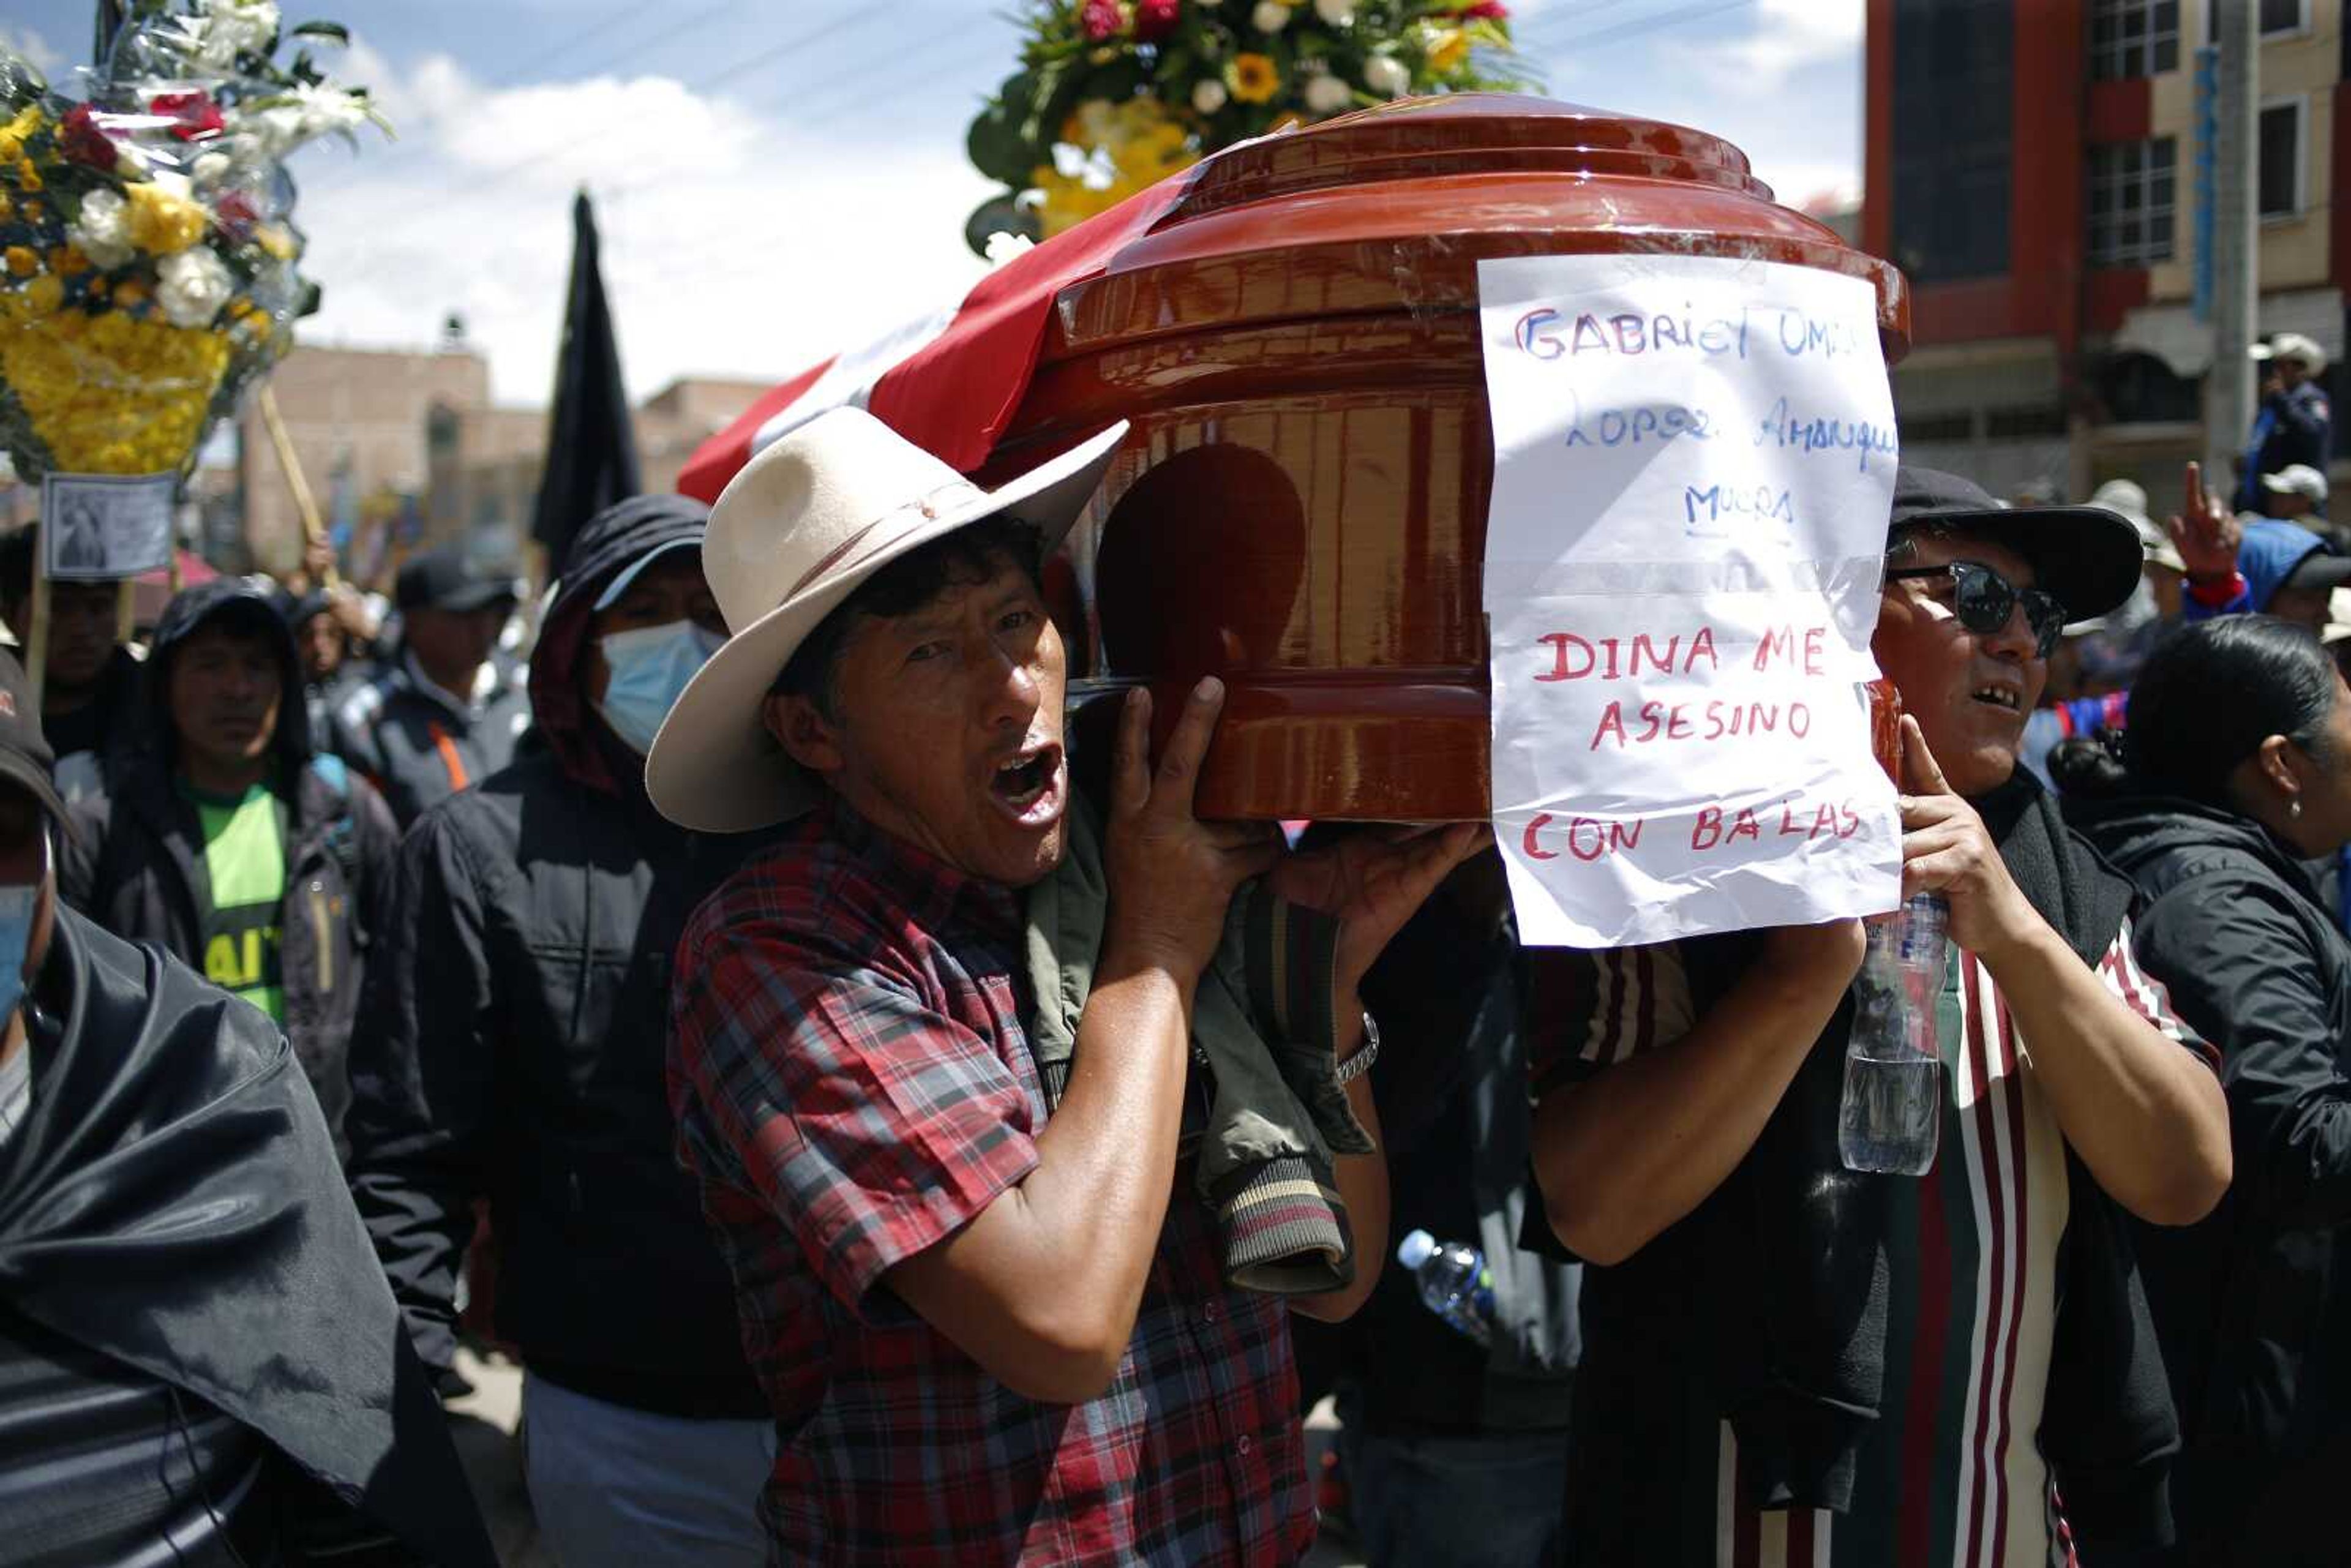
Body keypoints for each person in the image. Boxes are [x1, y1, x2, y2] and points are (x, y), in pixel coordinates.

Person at [650, 408, 1481, 1564]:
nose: (1010, 688)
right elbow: (1062, 1325)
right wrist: (1156, 953)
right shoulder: (782, 952)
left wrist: (1316, 987)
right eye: (931, 653)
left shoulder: (1124, 860)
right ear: (811, 730)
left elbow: (1335, 1279)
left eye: (1013, 621)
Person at [1526, 465, 2232, 1566]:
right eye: (1980, 598)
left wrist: (2014, 934)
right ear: (1835, 619)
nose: (2021, 646)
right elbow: (1593, 1210)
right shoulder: (1677, 874)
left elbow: (2188, 1173)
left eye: (2039, 618)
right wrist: (1806, 972)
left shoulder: (2064, 889)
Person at [345, 497, 774, 1567]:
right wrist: (387, 1420)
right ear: (579, 649)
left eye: (706, 610)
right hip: (621, 1423)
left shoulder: (818, 822)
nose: (681, 639)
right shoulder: (475, 853)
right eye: (646, 613)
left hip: (854, 1401)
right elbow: (409, 1154)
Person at [0, 645, 495, 1567]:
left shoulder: (211, 1086)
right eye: (211, 667)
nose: (237, 692)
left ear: (48, 861)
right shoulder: (121, 818)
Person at [2064, 617, 2351, 1564]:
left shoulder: (2209, 865)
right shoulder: (2214, 900)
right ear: (2283, 766)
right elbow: (2300, 1137)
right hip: (2246, 1412)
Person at [56, 580, 397, 1155]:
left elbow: (403, 995)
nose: (237, 689)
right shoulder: (100, 835)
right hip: (166, 1168)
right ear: (163, 685)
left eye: (258, 666)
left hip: (322, 1155)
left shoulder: (346, 816)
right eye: (210, 665)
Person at [1308, 848, 1580, 1568]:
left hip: (1590, 1394)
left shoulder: (1586, 900)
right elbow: (1368, 1125)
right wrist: (1470, 907)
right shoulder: (1383, 886)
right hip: (1447, 1406)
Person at [331, 544, 528, 827]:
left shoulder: (529, 694)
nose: (481, 628)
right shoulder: (364, 720)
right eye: (462, 615)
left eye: (488, 611)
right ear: (414, 623)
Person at [0, 524, 138, 803]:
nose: (81, 628)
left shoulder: (157, 711)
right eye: (58, 607)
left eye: (98, 607)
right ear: (9, 614)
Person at [2237, 333, 2332, 512]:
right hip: (2263, 505)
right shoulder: (2271, 406)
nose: (2274, 373)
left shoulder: (2310, 400)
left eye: (2281, 366)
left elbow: (2312, 436)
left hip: (2296, 507)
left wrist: (2283, 401)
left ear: (2300, 368)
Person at [2258, 462, 2329, 525]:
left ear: (2303, 501)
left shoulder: (2318, 536)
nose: (2274, 499)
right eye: (2274, 493)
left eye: (2282, 495)